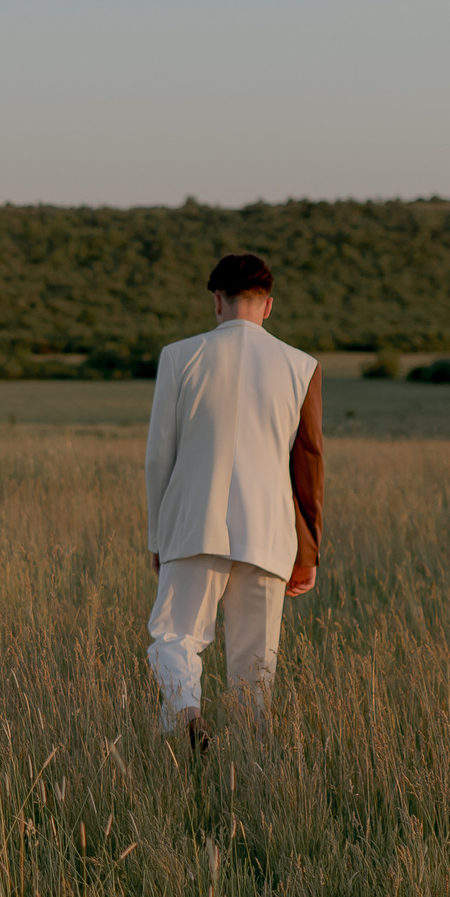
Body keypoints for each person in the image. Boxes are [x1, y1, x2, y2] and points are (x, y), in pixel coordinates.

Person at [142, 251, 323, 748]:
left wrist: (159, 536)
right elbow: (308, 464)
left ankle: (186, 714)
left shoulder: (178, 356)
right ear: (268, 306)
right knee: (254, 665)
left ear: (216, 302)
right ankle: (249, 774)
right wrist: (307, 553)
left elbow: (158, 458)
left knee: (176, 637)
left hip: (191, 524)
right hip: (269, 533)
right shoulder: (302, 366)